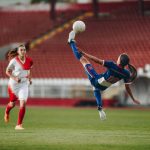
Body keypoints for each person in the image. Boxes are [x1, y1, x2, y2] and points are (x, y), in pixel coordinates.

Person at [68, 30, 140, 120]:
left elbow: (97, 60)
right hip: (104, 86)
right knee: (96, 89)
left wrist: (84, 53)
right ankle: (100, 109)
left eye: (119, 57)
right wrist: (133, 99)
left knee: (83, 60)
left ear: (119, 61)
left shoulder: (112, 65)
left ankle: (71, 42)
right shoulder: (126, 73)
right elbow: (127, 87)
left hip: (96, 80)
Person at [4, 44, 33, 129]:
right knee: (12, 104)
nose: (23, 51)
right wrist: (15, 78)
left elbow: (29, 70)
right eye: (21, 50)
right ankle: (7, 111)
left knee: (23, 103)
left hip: (24, 84)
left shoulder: (30, 60)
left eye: (24, 50)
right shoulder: (13, 61)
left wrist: (30, 79)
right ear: (18, 52)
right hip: (14, 84)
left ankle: (19, 125)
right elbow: (7, 72)